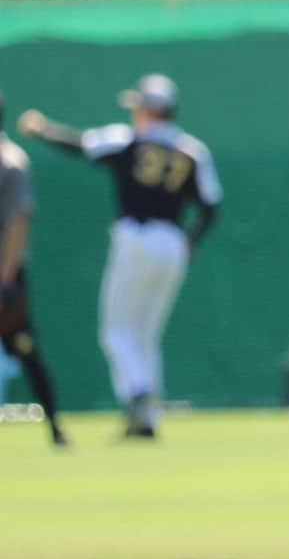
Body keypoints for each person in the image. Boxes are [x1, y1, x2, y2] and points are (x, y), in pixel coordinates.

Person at [18, 74, 221, 438]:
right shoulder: (192, 150)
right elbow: (210, 205)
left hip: (136, 239)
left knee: (116, 331)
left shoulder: (129, 140)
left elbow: (80, 144)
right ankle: (147, 416)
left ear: (149, 109)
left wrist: (41, 128)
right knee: (146, 334)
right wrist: (191, 240)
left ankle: (137, 394)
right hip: (172, 242)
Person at [0, 93, 68, 446]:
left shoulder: (9, 161)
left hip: (4, 276)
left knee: (26, 349)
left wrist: (6, 280)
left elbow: (17, 221)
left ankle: (55, 426)